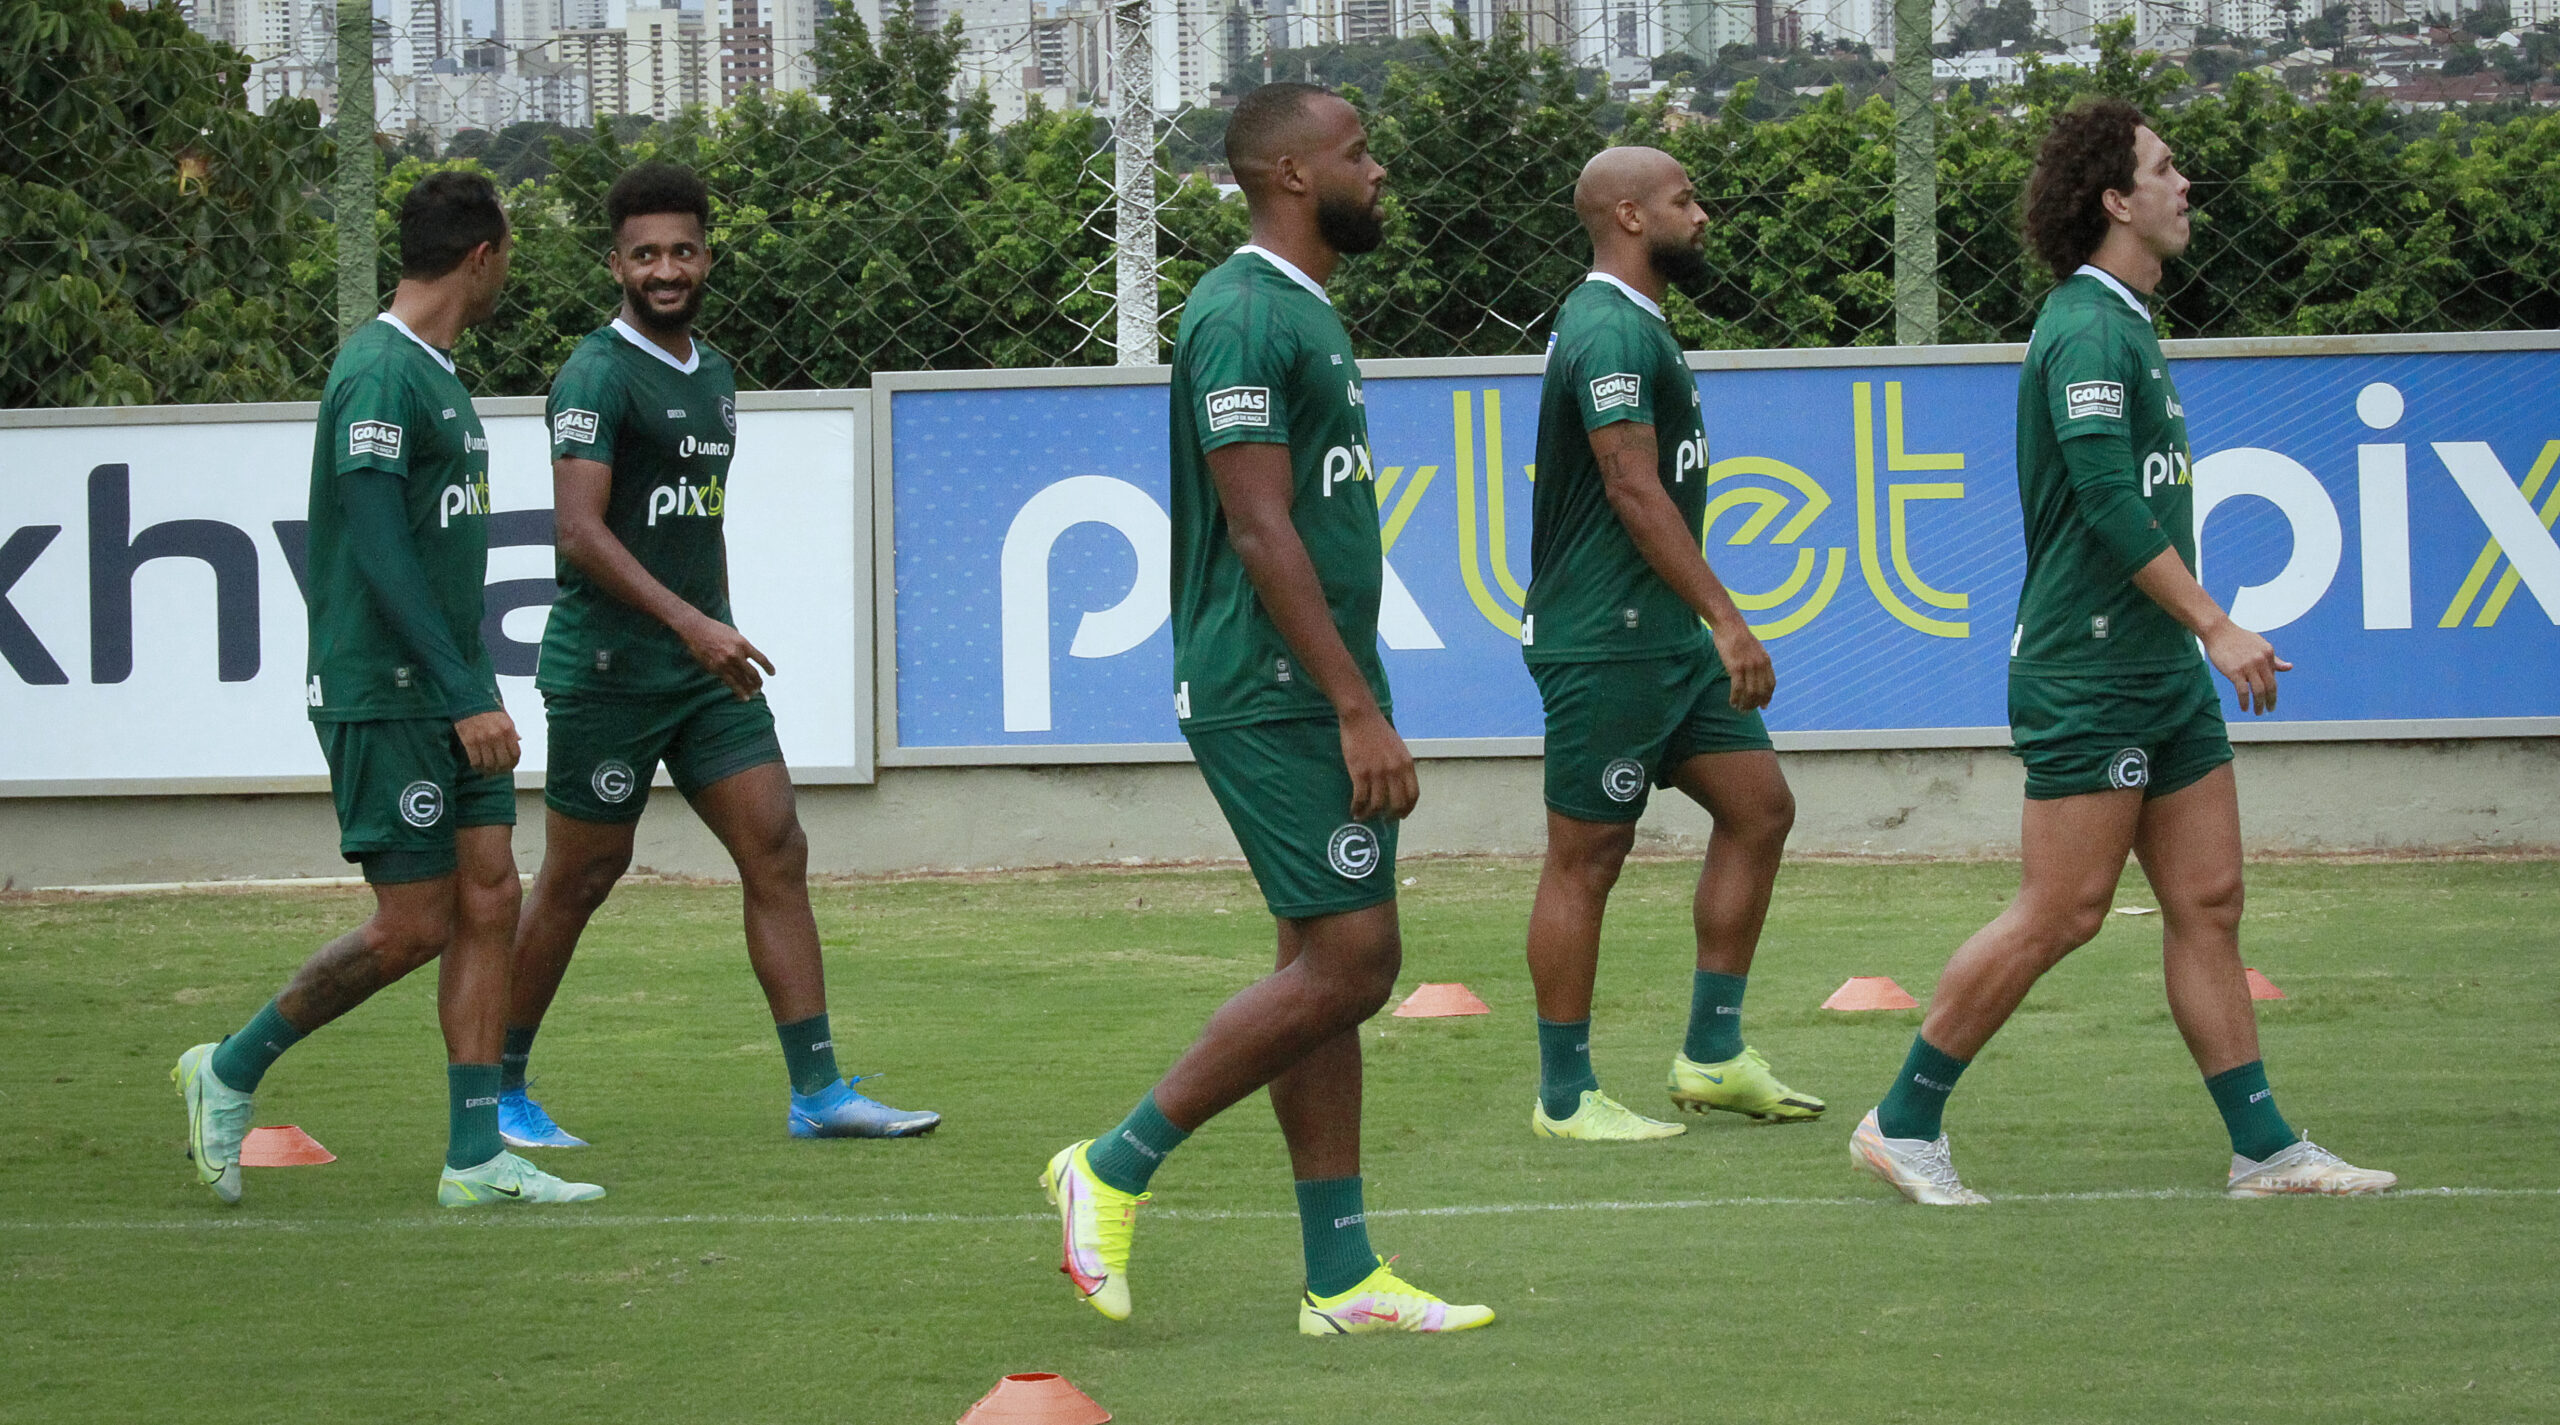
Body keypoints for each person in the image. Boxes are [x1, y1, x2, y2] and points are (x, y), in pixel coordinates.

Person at [1850, 99, 2394, 1204]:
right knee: (2063, 910)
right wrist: (2216, 624)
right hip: (2087, 666)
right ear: (2114, 200)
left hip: (2156, 671)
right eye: (2163, 168)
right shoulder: (2087, 329)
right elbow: (2105, 500)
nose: (2184, 184)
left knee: (2210, 899)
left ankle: (2264, 1150)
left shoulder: (2130, 323)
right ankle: (1901, 1122)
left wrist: (2189, 640)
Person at [1039, 83, 1492, 1337]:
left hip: (1313, 684)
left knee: (1319, 969)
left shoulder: (1302, 309)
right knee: (1357, 962)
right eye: (1359, 152)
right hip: (1273, 688)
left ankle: (1340, 1280)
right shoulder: (1240, 313)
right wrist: (1353, 706)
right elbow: (1256, 524)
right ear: (1291, 174)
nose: (1379, 170)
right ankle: (1110, 1166)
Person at [173, 171, 602, 1208]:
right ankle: (227, 1068)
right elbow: (373, 543)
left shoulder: (436, 372)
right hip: (390, 690)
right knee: (413, 925)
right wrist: (462, 690)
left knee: (491, 895)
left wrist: (467, 680)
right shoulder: (377, 371)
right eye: (509, 256)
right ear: (481, 258)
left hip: (450, 683)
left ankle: (475, 1157)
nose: (509, 273)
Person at [497, 161, 939, 1147]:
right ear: (615, 264)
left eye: (683, 251)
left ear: (707, 257)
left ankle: (819, 1093)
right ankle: (497, 1089)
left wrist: (712, 625)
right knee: (581, 875)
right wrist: (690, 623)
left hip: (702, 674)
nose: (666, 270)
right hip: (609, 673)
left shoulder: (715, 373)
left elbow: (692, 524)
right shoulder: (595, 374)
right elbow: (579, 532)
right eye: (645, 254)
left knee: (776, 846)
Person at [1516, 146, 1821, 1144]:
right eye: (1685, 200)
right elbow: (1630, 485)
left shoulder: (1641, 323)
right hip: (1605, 639)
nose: (1703, 216)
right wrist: (1728, 619)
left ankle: (1714, 1053)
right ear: (1630, 216)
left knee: (1759, 808)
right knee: (1586, 857)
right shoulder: (1606, 326)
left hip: (1661, 638)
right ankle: (1566, 1096)